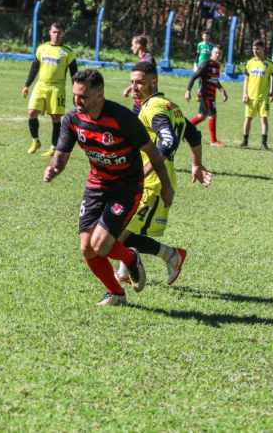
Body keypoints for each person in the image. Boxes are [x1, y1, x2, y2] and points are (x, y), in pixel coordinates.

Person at [44, 69, 175, 306]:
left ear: (99, 94)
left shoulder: (122, 118)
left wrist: (166, 186)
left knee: (101, 245)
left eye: (83, 97)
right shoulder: (73, 118)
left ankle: (130, 258)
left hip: (126, 187)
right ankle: (116, 293)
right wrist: (53, 167)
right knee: (87, 248)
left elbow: (153, 154)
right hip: (96, 185)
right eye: (75, 95)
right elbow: (61, 156)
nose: (77, 101)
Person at [115, 61, 212, 286]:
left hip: (152, 183)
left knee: (114, 236)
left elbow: (169, 141)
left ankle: (170, 256)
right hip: (145, 181)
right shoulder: (168, 105)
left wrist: (146, 170)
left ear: (154, 81)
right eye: (132, 82)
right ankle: (126, 270)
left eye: (140, 82)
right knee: (122, 231)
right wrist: (196, 164)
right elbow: (193, 135)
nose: (134, 87)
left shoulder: (154, 108)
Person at [22, 23, 78, 156]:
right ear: (49, 32)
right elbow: (35, 67)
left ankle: (53, 147)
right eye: (54, 32)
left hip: (56, 87)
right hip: (40, 85)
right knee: (32, 113)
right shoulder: (42, 48)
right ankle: (35, 141)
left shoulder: (68, 52)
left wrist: (76, 92)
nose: (56, 35)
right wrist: (27, 85)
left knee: (55, 117)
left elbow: (74, 74)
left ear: (63, 33)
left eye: (59, 32)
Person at [185, 44, 228, 147]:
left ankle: (183, 131)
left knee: (201, 117)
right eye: (216, 52)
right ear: (211, 52)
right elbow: (194, 77)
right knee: (212, 115)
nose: (217, 55)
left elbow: (214, 80)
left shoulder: (217, 65)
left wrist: (222, 90)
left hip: (211, 94)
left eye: (219, 53)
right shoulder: (206, 64)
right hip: (205, 94)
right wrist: (188, 91)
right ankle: (214, 141)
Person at [240, 39, 273, 150]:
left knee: (264, 119)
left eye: (258, 49)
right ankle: (245, 141)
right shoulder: (250, 63)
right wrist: (245, 93)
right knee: (248, 118)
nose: (255, 51)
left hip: (264, 97)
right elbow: (246, 79)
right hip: (251, 97)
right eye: (254, 49)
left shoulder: (269, 64)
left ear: (263, 49)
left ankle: (264, 143)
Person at [122, 35, 157, 114]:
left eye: (132, 45)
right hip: (140, 100)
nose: (131, 48)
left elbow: (148, 80)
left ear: (138, 45)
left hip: (145, 100)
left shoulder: (147, 60)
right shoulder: (144, 58)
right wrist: (130, 88)